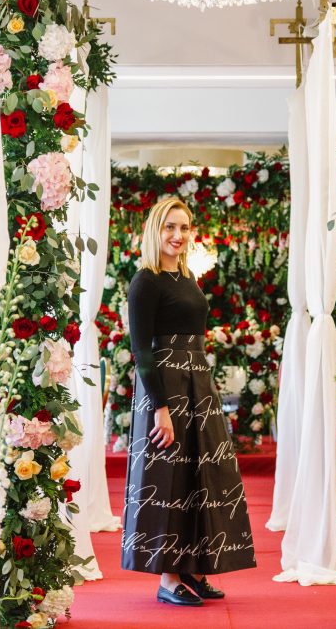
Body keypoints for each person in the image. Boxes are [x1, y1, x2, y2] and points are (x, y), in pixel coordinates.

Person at [121, 196, 256, 607]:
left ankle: (195, 568)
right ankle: (167, 578)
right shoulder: (145, 281)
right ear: (155, 231)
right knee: (168, 479)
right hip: (165, 387)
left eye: (184, 228)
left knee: (203, 476)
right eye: (170, 228)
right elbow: (141, 350)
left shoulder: (187, 278)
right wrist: (160, 408)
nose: (178, 236)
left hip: (198, 382)